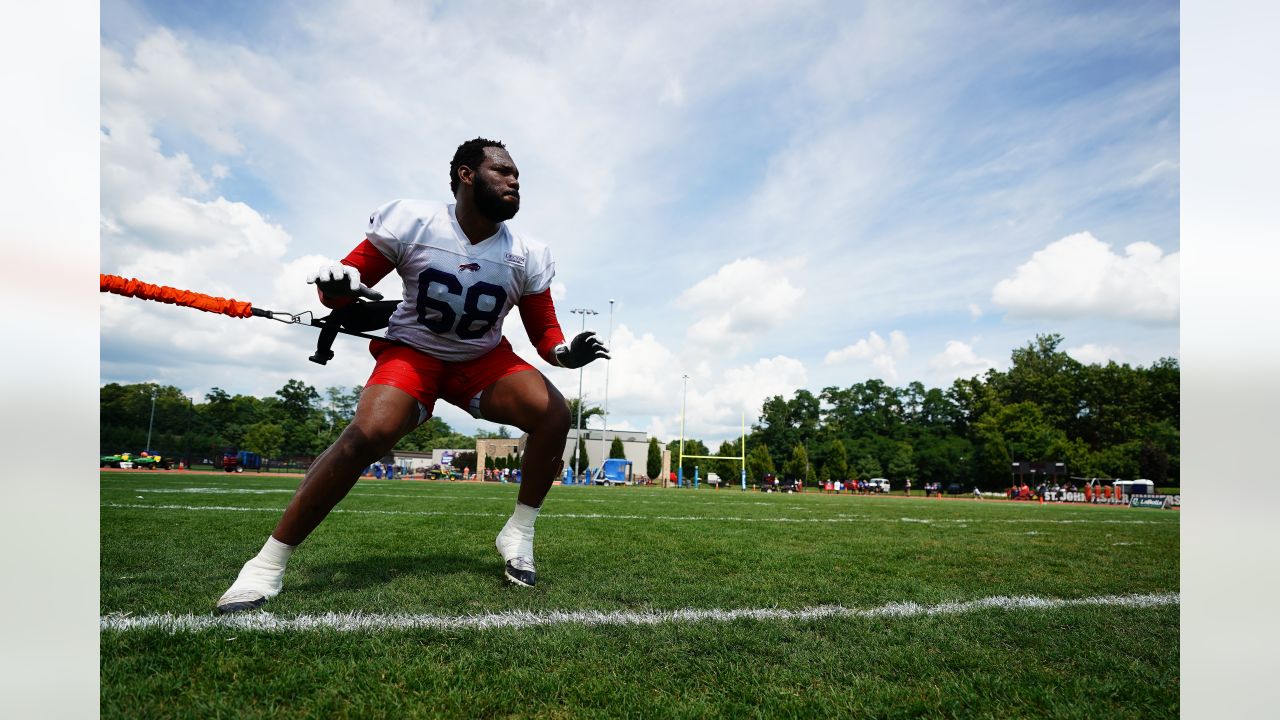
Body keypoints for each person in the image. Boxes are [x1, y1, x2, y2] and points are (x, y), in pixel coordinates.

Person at [215, 138, 609, 613]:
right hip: (413, 352)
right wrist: (337, 287)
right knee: (369, 433)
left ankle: (518, 535)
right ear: (466, 175)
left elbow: (546, 335)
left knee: (554, 414)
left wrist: (568, 356)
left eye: (517, 176)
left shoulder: (527, 252)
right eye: (503, 171)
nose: (514, 180)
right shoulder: (416, 222)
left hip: (480, 359)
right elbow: (345, 287)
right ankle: (266, 564)